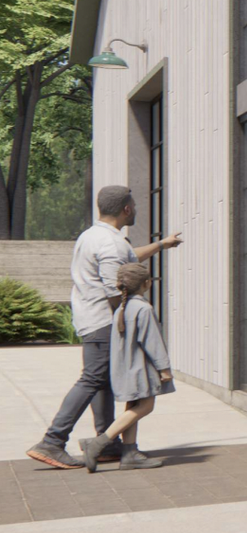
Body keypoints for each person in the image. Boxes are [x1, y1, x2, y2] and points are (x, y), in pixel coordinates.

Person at [25, 185, 182, 470]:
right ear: (126, 209)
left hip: (90, 318)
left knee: (103, 382)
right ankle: (52, 440)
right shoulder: (111, 243)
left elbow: (127, 259)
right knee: (92, 380)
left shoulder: (94, 236)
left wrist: (161, 245)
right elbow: (116, 291)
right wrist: (134, 324)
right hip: (104, 323)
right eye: (133, 204)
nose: (135, 208)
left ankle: (108, 443)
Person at [80, 263, 173, 472]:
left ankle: (130, 452)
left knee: (132, 407)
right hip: (140, 369)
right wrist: (164, 368)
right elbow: (153, 342)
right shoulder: (143, 308)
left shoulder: (123, 307)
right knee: (145, 406)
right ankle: (98, 443)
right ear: (146, 284)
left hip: (126, 367)